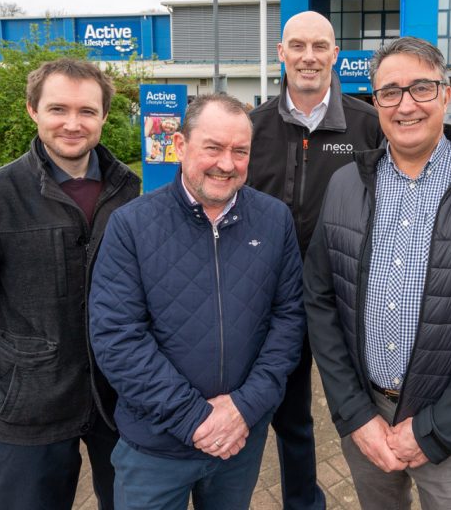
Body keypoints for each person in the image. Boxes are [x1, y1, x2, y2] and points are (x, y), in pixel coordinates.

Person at [304, 36, 451, 509]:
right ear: (376, 102)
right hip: (368, 415)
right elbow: (321, 299)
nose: (405, 104)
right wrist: (353, 413)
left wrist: (438, 428)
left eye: (421, 89)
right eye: (390, 92)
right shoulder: (346, 184)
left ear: (446, 95)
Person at [0, 58, 141, 510]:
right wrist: (18, 351)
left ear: (105, 116)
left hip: (117, 400)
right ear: (33, 110)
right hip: (29, 407)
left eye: (87, 111)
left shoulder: (129, 191)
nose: (73, 123)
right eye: (57, 109)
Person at [89, 93, 306, 510]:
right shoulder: (131, 225)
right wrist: (196, 419)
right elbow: (118, 338)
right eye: (213, 147)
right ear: (181, 146)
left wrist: (244, 408)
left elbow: (288, 320)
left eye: (239, 151)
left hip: (239, 441)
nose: (227, 163)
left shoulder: (275, 219)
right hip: (155, 446)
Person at [248, 10, 384, 509]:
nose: (309, 57)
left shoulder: (370, 126)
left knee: (368, 405)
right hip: (270, 301)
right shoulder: (252, 127)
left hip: (348, 296)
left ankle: (383, 489)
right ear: (281, 53)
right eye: (297, 46)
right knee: (289, 415)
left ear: (335, 55)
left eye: (320, 46)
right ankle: (303, 502)